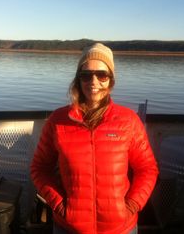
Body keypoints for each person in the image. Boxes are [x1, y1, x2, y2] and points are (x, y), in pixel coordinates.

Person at [31, 43, 159, 234]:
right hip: (69, 227)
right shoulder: (57, 121)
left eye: (102, 75)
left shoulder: (128, 120)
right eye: (86, 75)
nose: (93, 81)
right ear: (78, 79)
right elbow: (40, 168)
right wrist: (58, 204)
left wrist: (132, 205)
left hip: (121, 228)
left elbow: (147, 169)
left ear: (111, 80)